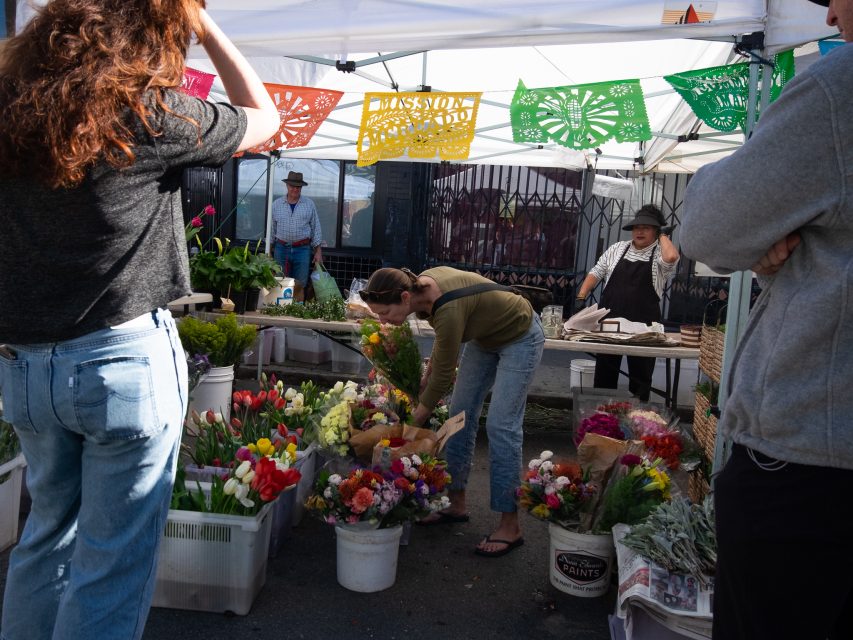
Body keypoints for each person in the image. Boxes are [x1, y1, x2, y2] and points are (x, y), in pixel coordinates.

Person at [0, 2, 279, 639]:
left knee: (45, 540)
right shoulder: (149, 117)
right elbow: (265, 117)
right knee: (111, 563)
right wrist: (205, 26)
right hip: (119, 360)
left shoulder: (8, 116)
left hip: (25, 367)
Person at [680, 1, 853, 638]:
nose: (832, 14)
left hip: (815, 455)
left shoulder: (840, 87)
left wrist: (769, 227)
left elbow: (709, 225)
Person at [359, 266, 544, 557]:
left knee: (501, 426)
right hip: (484, 338)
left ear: (405, 297)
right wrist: (428, 370)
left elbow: (444, 376)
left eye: (384, 313)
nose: (382, 320)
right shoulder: (421, 290)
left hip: (519, 335)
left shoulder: (445, 304)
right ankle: (456, 504)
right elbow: (447, 343)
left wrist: (410, 428)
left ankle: (510, 525)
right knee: (459, 417)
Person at [573, 204, 680, 400]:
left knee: (640, 380)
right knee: (605, 378)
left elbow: (672, 256)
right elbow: (596, 272)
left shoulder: (659, 254)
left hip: (645, 330)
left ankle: (638, 422)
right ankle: (603, 421)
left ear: (656, 231)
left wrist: (663, 236)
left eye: (646, 227)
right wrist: (581, 296)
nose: (639, 231)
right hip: (610, 325)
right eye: (637, 227)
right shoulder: (617, 248)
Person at [270, 170, 323, 288]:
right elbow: (271, 229)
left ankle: (297, 306)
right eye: (292, 186)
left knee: (300, 284)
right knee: (279, 282)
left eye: (298, 187)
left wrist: (318, 252)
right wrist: (269, 251)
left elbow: (316, 228)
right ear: (287, 186)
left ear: (301, 188)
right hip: (281, 249)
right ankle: (280, 307)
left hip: (302, 249)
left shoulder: (309, 204)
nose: (295, 189)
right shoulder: (276, 204)